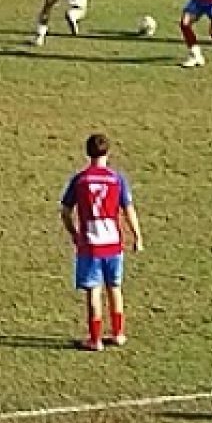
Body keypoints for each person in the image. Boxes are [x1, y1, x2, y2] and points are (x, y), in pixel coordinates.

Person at [60, 133, 144, 352]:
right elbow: (129, 209)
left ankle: (95, 339)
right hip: (113, 243)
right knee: (115, 288)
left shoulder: (80, 180)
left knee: (94, 292)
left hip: (90, 245)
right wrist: (137, 236)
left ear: (87, 153)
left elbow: (65, 211)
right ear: (108, 152)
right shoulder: (117, 179)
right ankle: (118, 334)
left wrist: (74, 233)